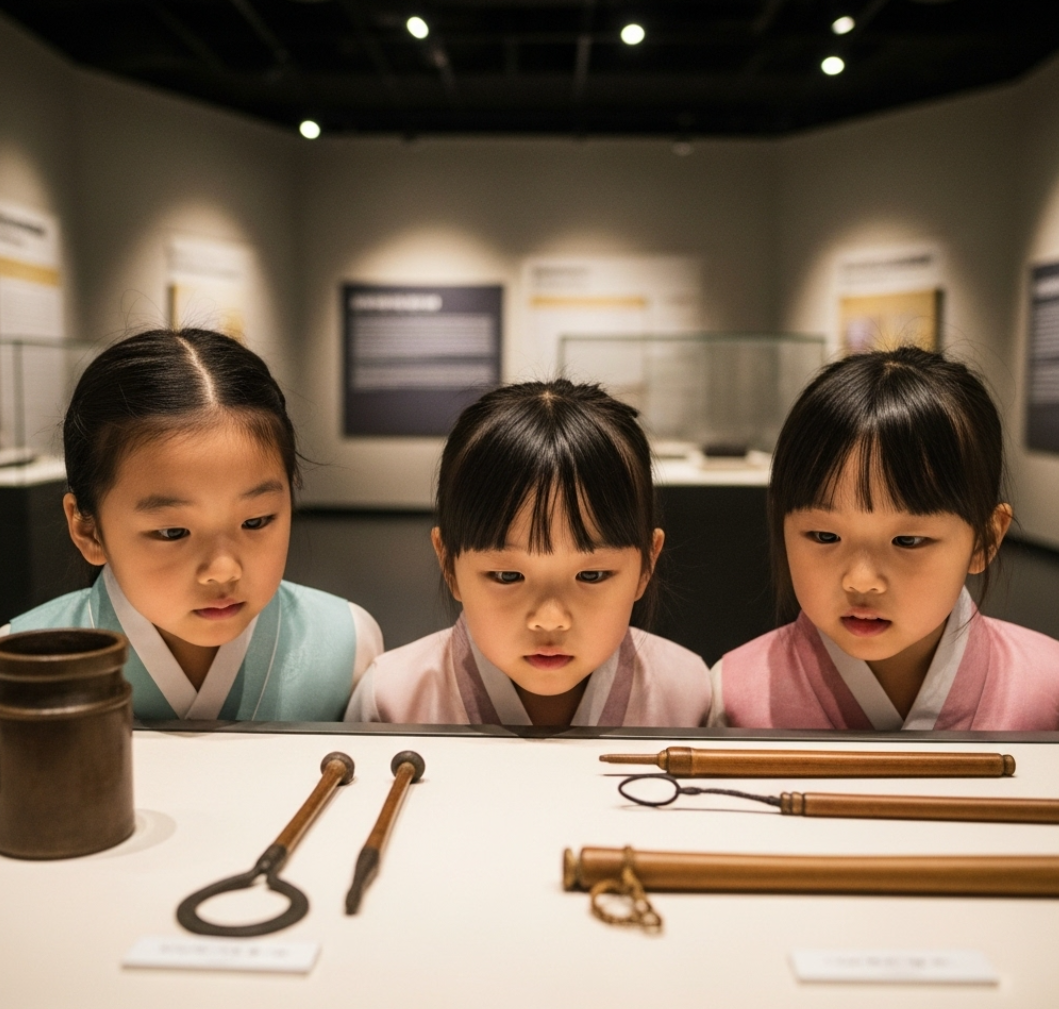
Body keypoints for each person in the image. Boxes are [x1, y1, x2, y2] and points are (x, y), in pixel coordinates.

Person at [3, 329, 382, 720]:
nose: (223, 571)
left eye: (256, 521)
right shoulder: (18, 665)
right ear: (88, 529)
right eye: (172, 532)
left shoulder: (346, 644)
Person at [710, 346, 1059, 730]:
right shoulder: (733, 695)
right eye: (825, 535)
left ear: (985, 540)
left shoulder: (1047, 690)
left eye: (907, 541)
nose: (861, 580)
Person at [347, 379, 711, 726]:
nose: (550, 621)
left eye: (591, 575)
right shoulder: (392, 698)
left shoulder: (688, 695)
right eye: (508, 576)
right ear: (448, 563)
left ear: (647, 564)